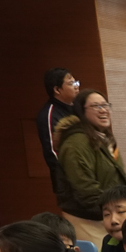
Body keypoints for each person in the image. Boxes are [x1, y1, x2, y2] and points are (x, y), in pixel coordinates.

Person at [52, 90, 126, 245]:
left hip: (109, 216)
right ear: (81, 111)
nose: (103, 110)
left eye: (105, 105)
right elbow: (86, 191)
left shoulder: (104, 138)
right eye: (96, 106)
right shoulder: (76, 143)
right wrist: (117, 211)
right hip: (88, 221)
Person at [36, 68, 79, 201]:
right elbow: (52, 153)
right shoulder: (49, 114)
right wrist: (76, 175)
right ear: (57, 89)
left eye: (76, 82)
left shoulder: (79, 108)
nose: (77, 86)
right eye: (71, 83)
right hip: (69, 184)